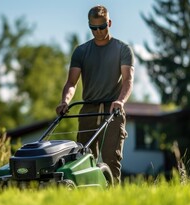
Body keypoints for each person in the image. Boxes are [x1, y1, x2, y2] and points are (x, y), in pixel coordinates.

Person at [55, 5, 134, 183]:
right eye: (93, 28)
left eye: (102, 27)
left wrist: (120, 101)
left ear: (109, 23)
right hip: (88, 111)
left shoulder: (122, 49)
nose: (98, 32)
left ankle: (112, 200)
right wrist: (64, 101)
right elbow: (71, 83)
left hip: (112, 111)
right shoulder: (81, 51)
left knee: (111, 161)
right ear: (89, 25)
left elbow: (128, 80)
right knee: (82, 160)